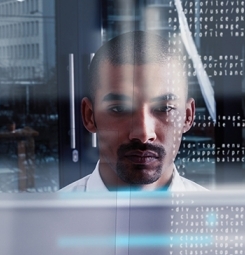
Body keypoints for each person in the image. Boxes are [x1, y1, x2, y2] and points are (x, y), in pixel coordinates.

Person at [61, 31, 207, 192]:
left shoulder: (221, 215)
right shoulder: (49, 216)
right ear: (89, 116)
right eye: (120, 109)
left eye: (165, 108)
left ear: (187, 116)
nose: (144, 134)